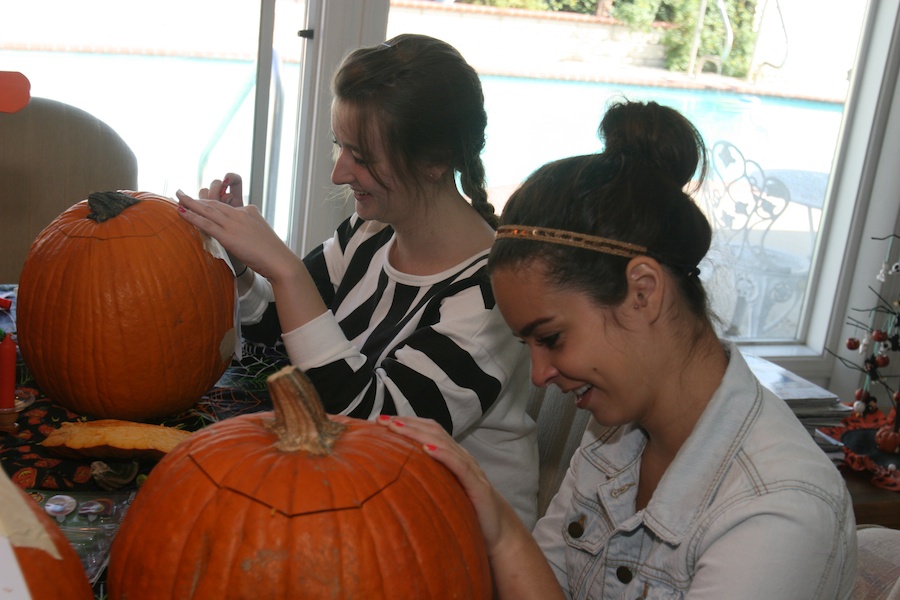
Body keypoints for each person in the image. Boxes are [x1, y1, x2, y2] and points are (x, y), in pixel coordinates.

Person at [377, 99, 858, 599]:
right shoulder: (615, 435)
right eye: (528, 346)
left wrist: (498, 529)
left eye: (552, 339)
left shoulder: (777, 509)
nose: (540, 374)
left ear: (643, 292)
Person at [175, 33, 539, 528]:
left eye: (362, 156)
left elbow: (369, 427)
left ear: (434, 161)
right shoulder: (369, 234)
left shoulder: (489, 299)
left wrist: (283, 267)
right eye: (339, 147)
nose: (339, 173)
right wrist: (244, 267)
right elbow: (282, 341)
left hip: (450, 535)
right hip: (364, 505)